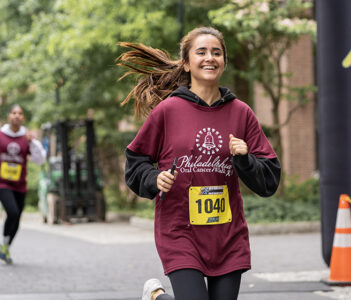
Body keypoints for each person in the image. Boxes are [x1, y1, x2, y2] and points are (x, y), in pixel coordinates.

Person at [118, 27, 281, 300]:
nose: (210, 58)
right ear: (186, 62)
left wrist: (244, 160)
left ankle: (157, 297)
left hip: (227, 235)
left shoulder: (241, 113)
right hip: (180, 231)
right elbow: (136, 162)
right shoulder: (168, 111)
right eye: (201, 52)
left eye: (217, 52)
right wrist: (153, 178)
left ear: (224, 62)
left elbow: (270, 179)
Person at [0, 104, 46, 264]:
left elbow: (40, 159)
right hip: (2, 183)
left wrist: (34, 142)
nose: (16, 116)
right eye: (14, 113)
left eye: (20, 113)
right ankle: (4, 244)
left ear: (23, 118)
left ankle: (5, 246)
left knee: (16, 219)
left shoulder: (27, 137)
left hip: (20, 184)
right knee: (12, 212)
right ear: (9, 116)